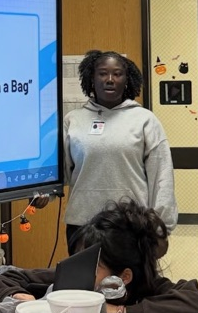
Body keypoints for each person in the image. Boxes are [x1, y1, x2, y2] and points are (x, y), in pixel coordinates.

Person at [0, 199, 198, 313]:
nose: (81, 269)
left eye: (93, 266)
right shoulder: (74, 283)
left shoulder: (150, 289)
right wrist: (20, 299)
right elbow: (0, 282)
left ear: (124, 277)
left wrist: (120, 312)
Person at [63, 50, 177, 248]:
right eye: (102, 73)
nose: (109, 79)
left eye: (117, 74)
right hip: (82, 225)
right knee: (86, 271)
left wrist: (162, 226)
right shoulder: (73, 120)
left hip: (131, 226)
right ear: (91, 79)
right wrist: (43, 192)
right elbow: (60, 171)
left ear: (126, 80)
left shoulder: (145, 120)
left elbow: (162, 176)